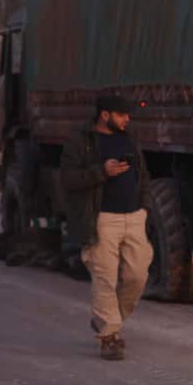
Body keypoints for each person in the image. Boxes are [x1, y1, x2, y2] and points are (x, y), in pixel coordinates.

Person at [60, 94, 153, 361]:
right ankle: (110, 337)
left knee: (137, 276)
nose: (127, 119)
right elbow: (68, 179)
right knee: (105, 278)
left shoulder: (129, 137)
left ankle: (108, 319)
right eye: (122, 114)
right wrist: (102, 172)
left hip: (134, 217)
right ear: (105, 115)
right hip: (102, 219)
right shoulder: (81, 140)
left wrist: (145, 207)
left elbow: (143, 175)